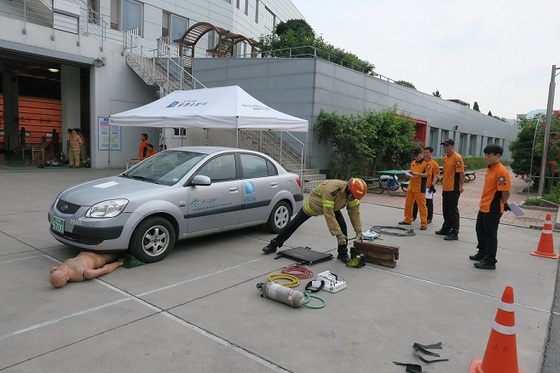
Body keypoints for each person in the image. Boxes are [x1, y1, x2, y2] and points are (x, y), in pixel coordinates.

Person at [262, 178, 367, 263]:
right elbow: (328, 214)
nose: (352, 198)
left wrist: (358, 231)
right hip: (313, 206)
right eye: (352, 196)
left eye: (355, 197)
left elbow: (354, 213)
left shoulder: (352, 197)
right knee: (293, 225)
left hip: (333, 206)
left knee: (343, 226)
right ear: (348, 189)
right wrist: (338, 234)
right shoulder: (331, 189)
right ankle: (274, 244)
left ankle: (342, 253)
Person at [470, 144, 511, 270]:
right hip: (484, 205)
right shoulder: (490, 168)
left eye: (489, 155)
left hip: (493, 208)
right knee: (480, 230)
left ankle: (490, 260)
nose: (486, 157)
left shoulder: (501, 172)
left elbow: (506, 191)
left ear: (497, 156)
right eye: (486, 154)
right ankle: (482, 252)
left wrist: (503, 203)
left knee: (490, 234)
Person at [436, 138, 465, 240]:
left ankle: (454, 232)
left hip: (454, 188)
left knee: (452, 210)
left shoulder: (457, 158)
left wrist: (461, 186)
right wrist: (442, 179)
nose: (445, 147)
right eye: (444, 146)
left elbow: (461, 173)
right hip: (446, 187)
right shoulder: (446, 158)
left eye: (447, 145)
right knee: (446, 209)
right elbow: (447, 172)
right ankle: (446, 228)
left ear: (453, 146)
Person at [49, 251, 124, 288]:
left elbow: (52, 269)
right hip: (104, 255)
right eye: (62, 271)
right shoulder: (84, 273)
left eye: (59, 270)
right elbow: (105, 270)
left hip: (87, 250)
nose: (62, 268)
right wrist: (118, 263)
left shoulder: (56, 269)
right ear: (67, 278)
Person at [398, 147, 429, 230]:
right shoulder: (413, 162)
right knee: (408, 204)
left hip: (419, 187)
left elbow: (427, 175)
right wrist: (408, 175)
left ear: (421, 154)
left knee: (422, 205)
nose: (415, 157)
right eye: (414, 155)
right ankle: (408, 219)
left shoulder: (426, 163)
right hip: (411, 186)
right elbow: (411, 172)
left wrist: (417, 174)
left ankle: (424, 223)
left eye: (416, 155)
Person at [412, 147, 440, 223]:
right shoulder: (420, 162)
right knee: (415, 202)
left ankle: (429, 218)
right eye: (424, 153)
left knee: (428, 202)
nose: (425, 154)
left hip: (428, 186)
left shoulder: (434, 164)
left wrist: (433, 185)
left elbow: (436, 176)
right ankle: (413, 216)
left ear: (431, 153)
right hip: (419, 185)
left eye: (427, 153)